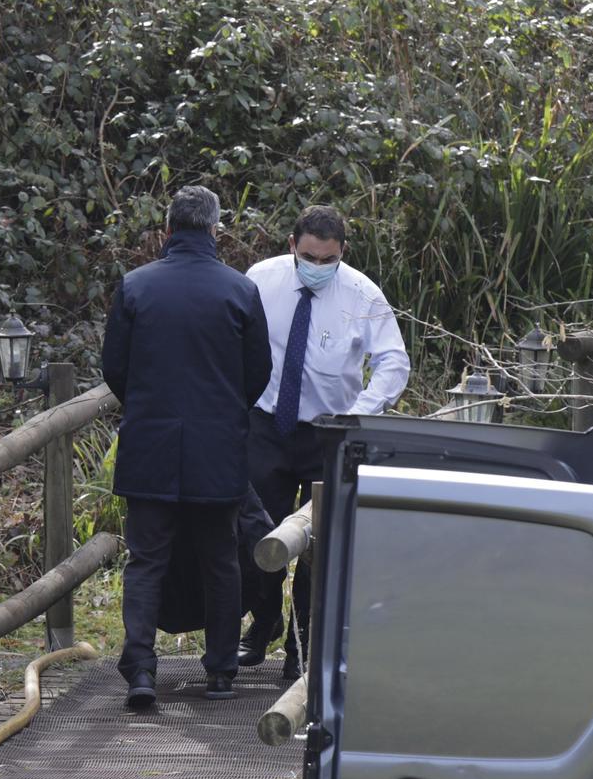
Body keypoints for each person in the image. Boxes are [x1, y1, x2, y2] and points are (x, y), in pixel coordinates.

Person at [101, 185, 272, 709]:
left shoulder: (135, 286)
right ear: (216, 230)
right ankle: (220, 670)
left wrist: (149, 408)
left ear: (168, 230)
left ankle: (141, 670)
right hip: (216, 451)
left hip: (150, 446)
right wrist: (221, 414)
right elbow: (257, 374)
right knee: (220, 559)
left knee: (145, 561)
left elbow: (116, 369)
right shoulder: (239, 292)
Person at [243, 206, 410, 674]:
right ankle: (264, 623)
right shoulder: (260, 279)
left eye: (328, 259)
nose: (317, 267)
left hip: (330, 433)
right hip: (268, 425)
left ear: (342, 254)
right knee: (258, 533)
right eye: (310, 257)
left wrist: (357, 415)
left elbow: (394, 362)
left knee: (319, 541)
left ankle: (302, 647)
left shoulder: (362, 294)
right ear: (292, 245)